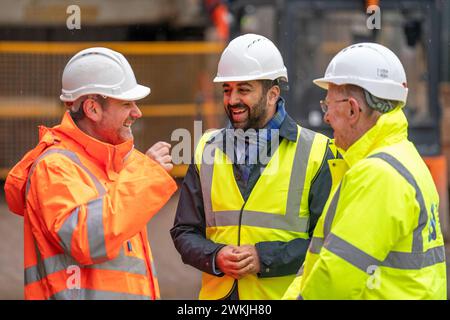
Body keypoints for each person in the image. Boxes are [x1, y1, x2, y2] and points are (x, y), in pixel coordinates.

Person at [170, 33, 335, 300]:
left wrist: (264, 258)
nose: (232, 99)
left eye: (243, 89)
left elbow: (330, 243)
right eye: (227, 89)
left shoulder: (317, 152)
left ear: (272, 94)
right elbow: (184, 231)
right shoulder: (207, 149)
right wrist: (215, 256)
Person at [4, 47, 177, 300]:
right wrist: (145, 176)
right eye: (126, 103)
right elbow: (85, 239)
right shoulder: (54, 167)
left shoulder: (115, 164)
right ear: (92, 109)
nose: (137, 113)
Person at [284, 43, 447, 300]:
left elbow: (333, 283)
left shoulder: (377, 174)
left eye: (328, 106)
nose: (325, 118)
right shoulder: (403, 158)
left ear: (352, 109)